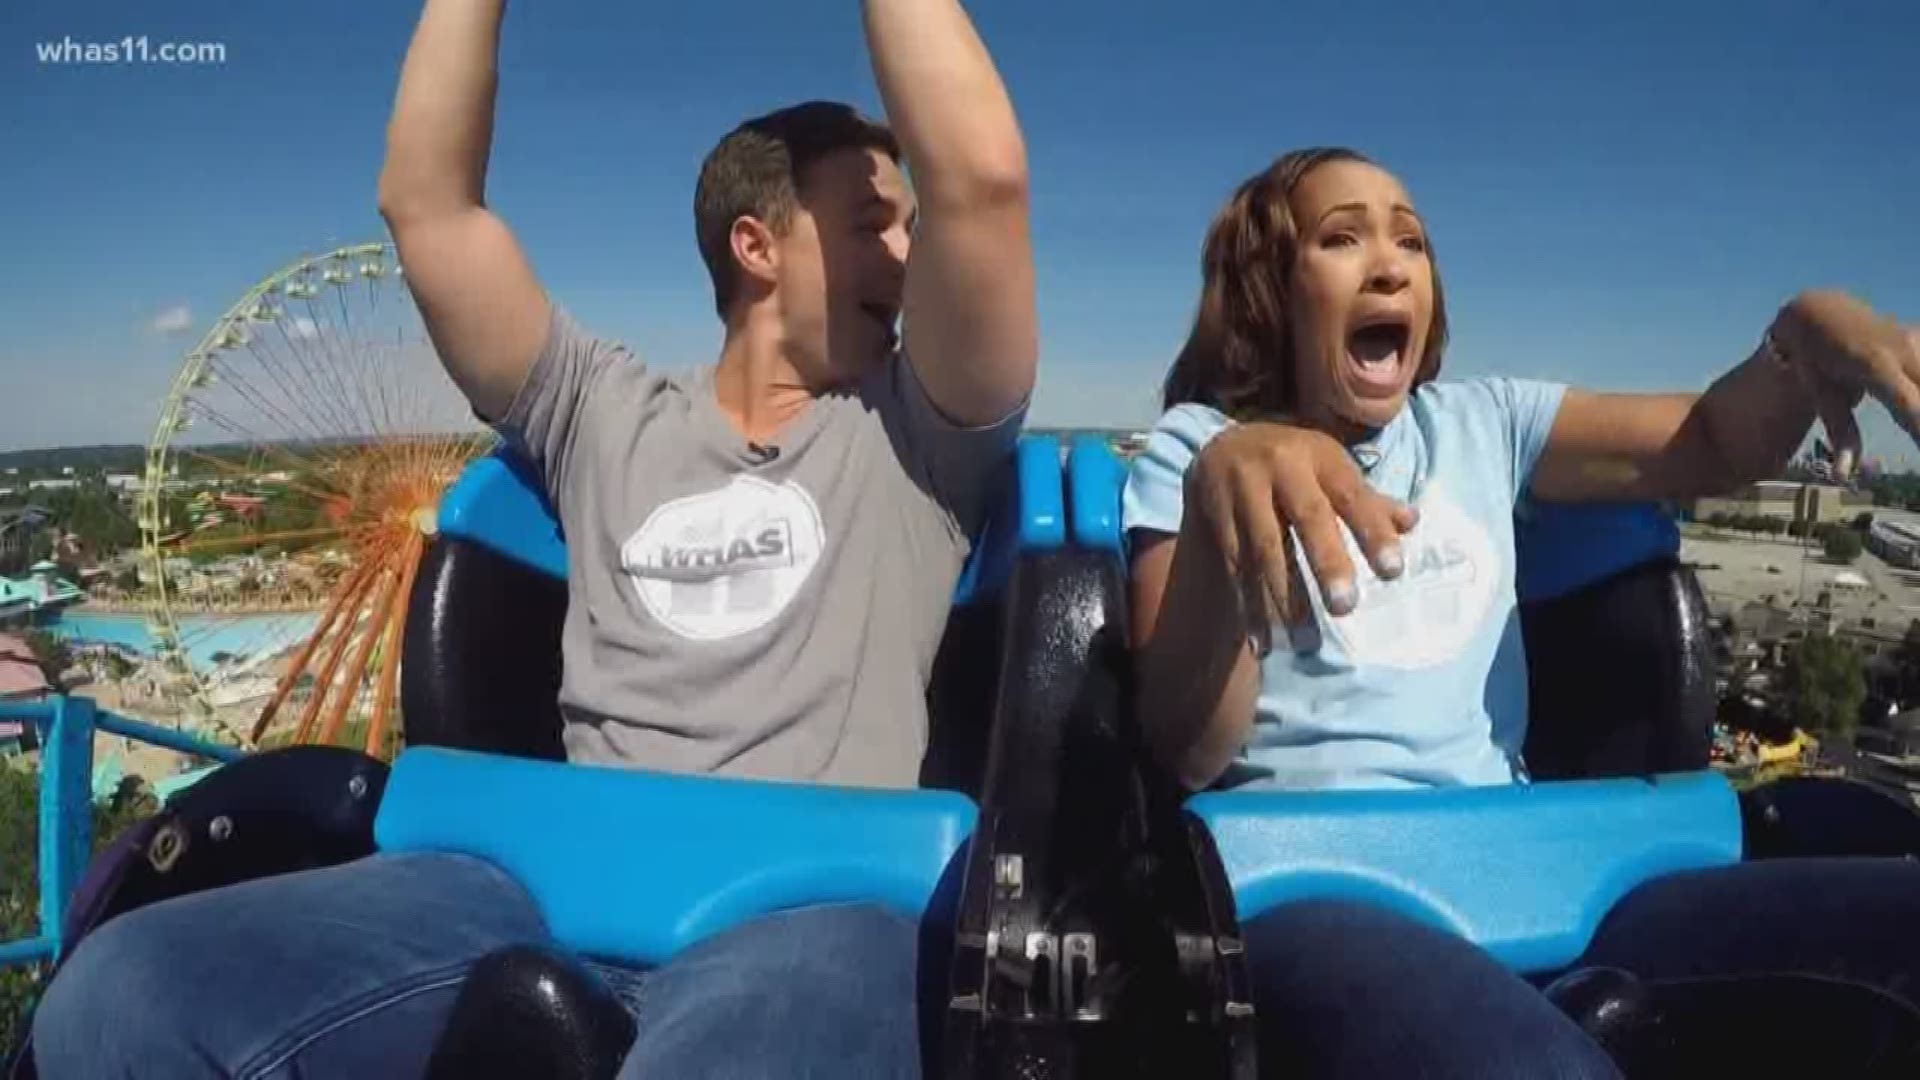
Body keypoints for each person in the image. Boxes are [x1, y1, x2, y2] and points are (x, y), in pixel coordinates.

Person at [29, 0, 1033, 1076]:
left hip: (812, 912)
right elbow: (427, 207)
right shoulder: (600, 408)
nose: (907, 249)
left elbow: (982, 184)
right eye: (873, 222)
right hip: (536, 887)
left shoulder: (921, 434)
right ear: (757, 246)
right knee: (120, 995)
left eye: (911, 229)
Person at [1123, 147, 1920, 1078]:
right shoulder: (1200, 451)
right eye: (1341, 238)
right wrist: (1225, 526)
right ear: (1269, 292)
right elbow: (1183, 742)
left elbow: (1708, 440)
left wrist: (1801, 338)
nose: (1391, 263)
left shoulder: (1485, 425)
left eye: (1411, 240)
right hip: (1316, 890)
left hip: (1533, 866)